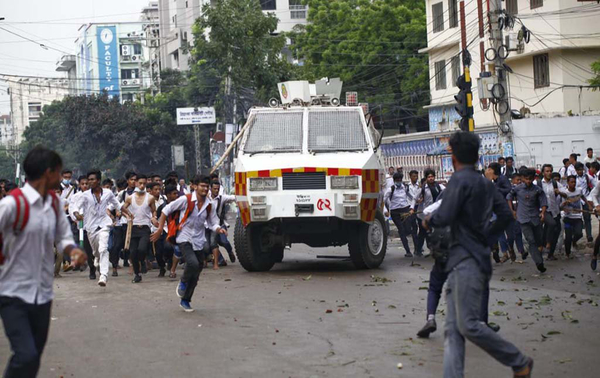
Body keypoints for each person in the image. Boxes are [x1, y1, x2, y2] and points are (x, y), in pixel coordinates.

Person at [422, 132, 532, 378]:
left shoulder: (459, 180)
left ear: (454, 155)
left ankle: (519, 361)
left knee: (468, 326)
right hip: (470, 258)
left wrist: (429, 220)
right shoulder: (484, 182)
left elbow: (445, 215)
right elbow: (504, 215)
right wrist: (485, 237)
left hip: (465, 262)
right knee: (452, 331)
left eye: (450, 152)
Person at [0, 147, 83, 378]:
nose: (63, 177)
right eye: (59, 172)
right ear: (49, 173)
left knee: (33, 356)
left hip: (42, 294)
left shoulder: (55, 204)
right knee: (25, 355)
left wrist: (74, 251)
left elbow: (64, 237)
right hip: (12, 294)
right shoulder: (11, 205)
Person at [151, 175, 226, 312]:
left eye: (206, 186)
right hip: (184, 237)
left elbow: (212, 222)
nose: (205, 189)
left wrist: (218, 228)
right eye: (202, 186)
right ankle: (183, 282)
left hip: (199, 240)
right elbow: (166, 210)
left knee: (197, 272)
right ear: (195, 187)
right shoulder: (185, 200)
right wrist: (160, 228)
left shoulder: (210, 205)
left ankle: (185, 300)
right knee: (192, 263)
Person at [73, 171, 132, 287]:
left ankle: (103, 276)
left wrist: (128, 213)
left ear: (98, 180)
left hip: (104, 224)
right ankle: (97, 259)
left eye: (92, 179)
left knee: (103, 249)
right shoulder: (85, 195)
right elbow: (76, 206)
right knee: (96, 251)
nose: (90, 182)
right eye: (88, 179)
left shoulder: (108, 193)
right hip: (91, 227)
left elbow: (117, 205)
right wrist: (76, 214)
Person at [507, 169, 548, 273]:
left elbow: (543, 201)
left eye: (530, 179)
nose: (528, 181)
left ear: (533, 179)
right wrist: (513, 211)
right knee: (531, 240)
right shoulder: (517, 189)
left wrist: (543, 212)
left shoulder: (538, 190)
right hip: (523, 219)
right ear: (522, 178)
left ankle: (535, 253)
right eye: (526, 179)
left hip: (535, 218)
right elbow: (509, 198)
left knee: (539, 240)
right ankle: (539, 263)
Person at [121, 174, 157, 283]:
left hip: (145, 228)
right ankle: (137, 274)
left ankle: (142, 261)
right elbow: (122, 208)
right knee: (132, 253)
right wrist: (127, 215)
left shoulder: (150, 198)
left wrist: (154, 218)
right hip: (133, 228)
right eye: (140, 183)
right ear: (135, 183)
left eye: (144, 184)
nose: (141, 186)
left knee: (141, 249)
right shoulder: (130, 198)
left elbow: (153, 211)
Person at [538, 164, 567, 260]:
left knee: (556, 231)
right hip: (543, 211)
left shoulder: (555, 183)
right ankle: (546, 243)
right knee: (551, 224)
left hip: (555, 210)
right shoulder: (537, 183)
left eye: (550, 171)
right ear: (543, 172)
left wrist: (559, 192)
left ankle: (550, 253)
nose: (549, 173)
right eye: (547, 171)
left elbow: (565, 193)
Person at [384, 172, 415, 257]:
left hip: (405, 210)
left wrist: (412, 208)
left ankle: (404, 235)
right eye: (397, 180)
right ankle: (408, 251)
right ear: (394, 181)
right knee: (401, 230)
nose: (398, 181)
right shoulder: (391, 189)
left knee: (408, 229)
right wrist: (385, 210)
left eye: (400, 180)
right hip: (395, 212)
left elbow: (413, 198)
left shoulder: (405, 187)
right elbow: (383, 200)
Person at [207, 180, 237, 269]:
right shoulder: (206, 198)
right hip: (209, 225)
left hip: (220, 224)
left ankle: (230, 251)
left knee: (223, 241)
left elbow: (233, 197)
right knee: (211, 244)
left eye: (218, 189)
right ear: (210, 188)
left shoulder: (221, 198)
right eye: (214, 189)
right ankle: (219, 261)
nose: (216, 190)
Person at [415, 169, 444, 256]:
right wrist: (416, 204)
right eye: (429, 177)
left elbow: (448, 192)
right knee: (422, 233)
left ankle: (433, 250)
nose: (431, 178)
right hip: (424, 215)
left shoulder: (439, 187)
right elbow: (414, 198)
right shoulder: (423, 189)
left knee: (435, 232)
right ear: (426, 178)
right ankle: (418, 250)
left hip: (435, 214)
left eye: (432, 177)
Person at [562, 175, 585, 258]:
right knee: (568, 237)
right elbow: (561, 206)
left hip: (578, 217)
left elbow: (582, 196)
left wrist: (588, 205)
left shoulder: (579, 190)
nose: (573, 184)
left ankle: (573, 241)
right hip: (568, 218)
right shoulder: (565, 193)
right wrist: (564, 206)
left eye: (574, 182)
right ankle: (567, 253)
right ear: (568, 183)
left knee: (579, 233)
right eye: (571, 182)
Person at [575, 162, 594, 243]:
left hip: (586, 199)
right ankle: (576, 236)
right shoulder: (573, 178)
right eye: (578, 170)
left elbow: (595, 185)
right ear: (575, 170)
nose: (580, 171)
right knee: (577, 219)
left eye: (581, 169)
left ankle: (589, 235)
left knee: (587, 219)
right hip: (577, 201)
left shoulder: (587, 177)